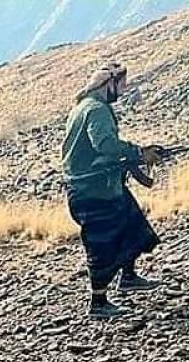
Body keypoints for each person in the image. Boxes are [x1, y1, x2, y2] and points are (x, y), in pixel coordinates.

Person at [62, 62, 162, 319]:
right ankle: (98, 303)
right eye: (122, 85)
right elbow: (105, 144)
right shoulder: (97, 110)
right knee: (101, 244)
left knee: (131, 224)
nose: (124, 90)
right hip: (93, 192)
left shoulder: (82, 107)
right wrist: (138, 152)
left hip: (99, 187)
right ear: (109, 85)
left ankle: (128, 278)